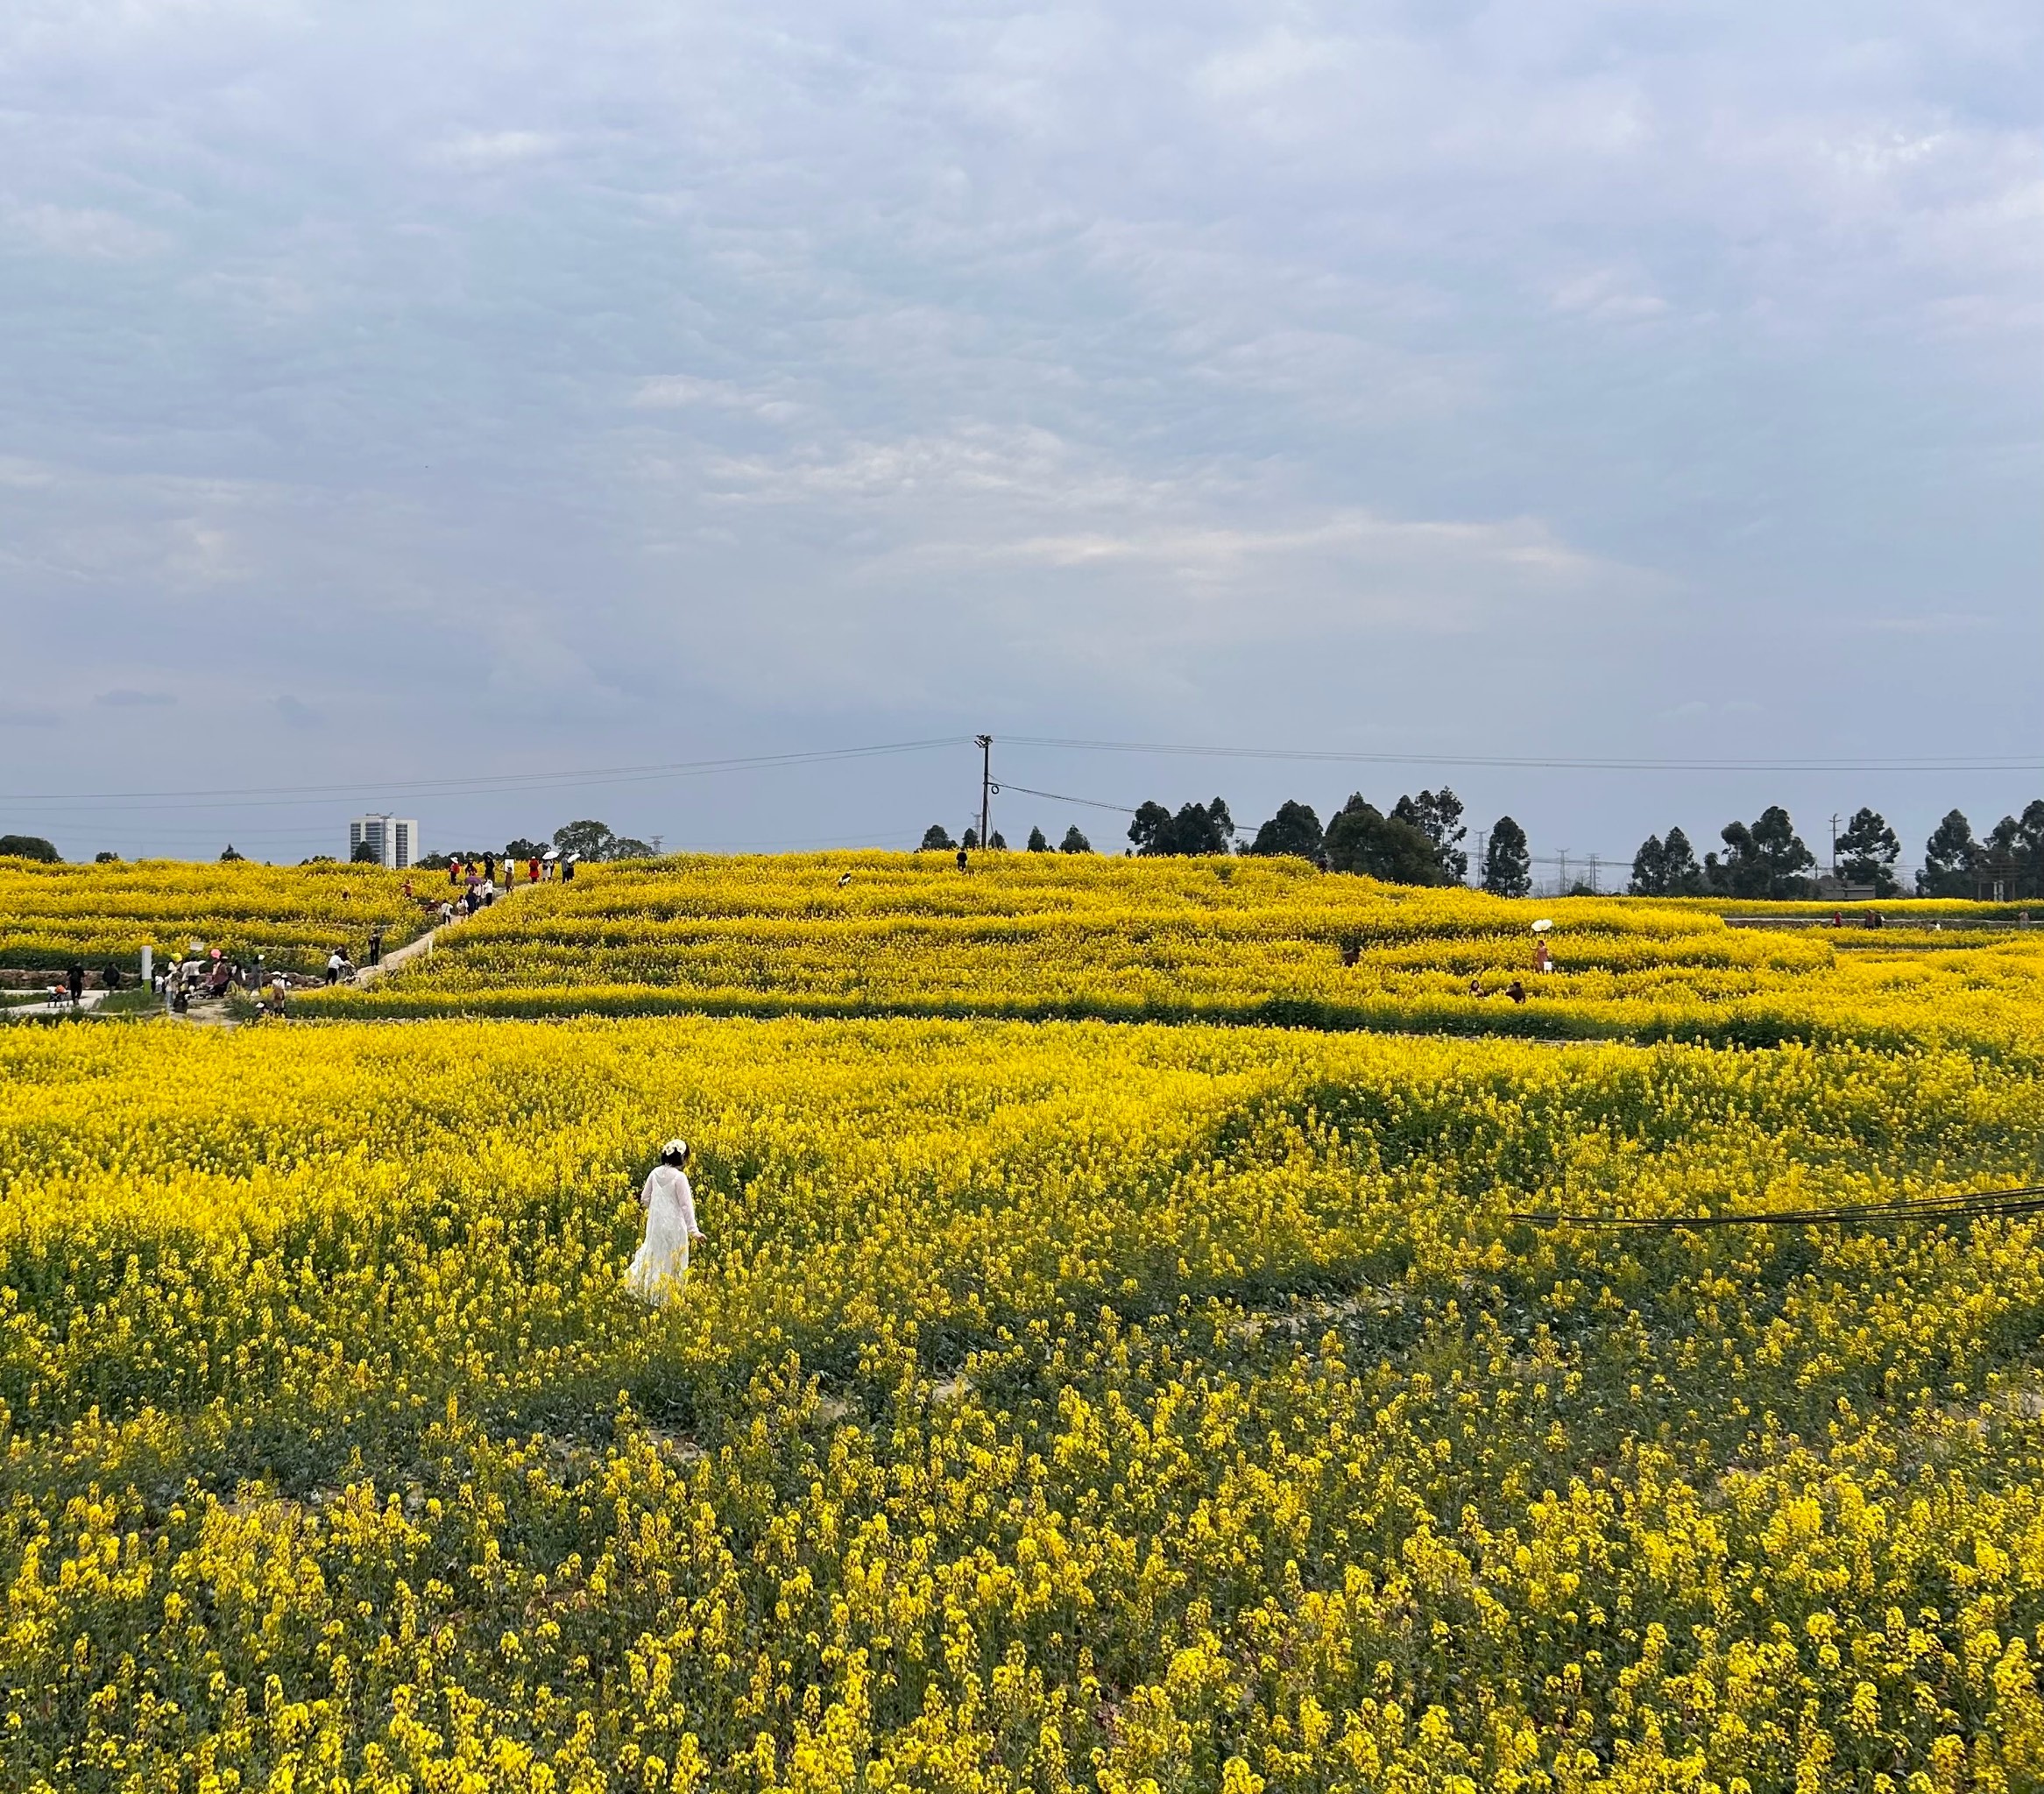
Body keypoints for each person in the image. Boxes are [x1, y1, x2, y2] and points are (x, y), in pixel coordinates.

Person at [626, 1139, 704, 1305]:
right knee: (672, 1260)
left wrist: (657, 1209)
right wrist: (694, 1231)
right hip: (675, 1227)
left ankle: (650, 1292)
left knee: (655, 1256)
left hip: (655, 1226)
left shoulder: (655, 1173)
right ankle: (669, 1298)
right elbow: (686, 1206)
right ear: (682, 1158)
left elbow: (645, 1198)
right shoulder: (679, 1178)